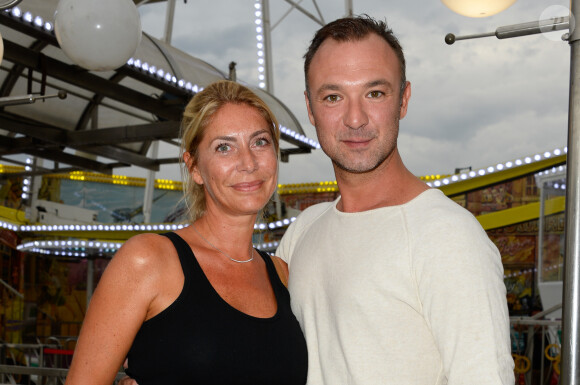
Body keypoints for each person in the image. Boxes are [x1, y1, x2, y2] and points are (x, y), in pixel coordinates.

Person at [276, 15, 515, 384]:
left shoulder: (447, 235)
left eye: (375, 93)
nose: (355, 119)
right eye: (333, 97)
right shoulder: (303, 230)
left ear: (403, 100)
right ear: (310, 109)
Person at [65, 80, 308, 385]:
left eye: (260, 142)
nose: (248, 162)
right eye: (224, 147)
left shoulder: (282, 275)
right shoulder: (149, 261)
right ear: (194, 168)